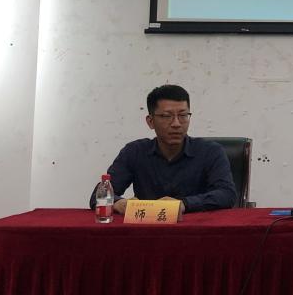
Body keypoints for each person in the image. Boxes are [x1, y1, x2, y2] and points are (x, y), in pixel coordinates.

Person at [88, 84, 237, 214]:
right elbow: (98, 195)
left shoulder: (210, 152)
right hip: (147, 231)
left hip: (196, 230)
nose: (176, 123)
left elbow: (227, 194)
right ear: (150, 121)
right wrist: (118, 203)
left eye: (183, 115)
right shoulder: (135, 152)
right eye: (167, 116)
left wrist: (184, 204)